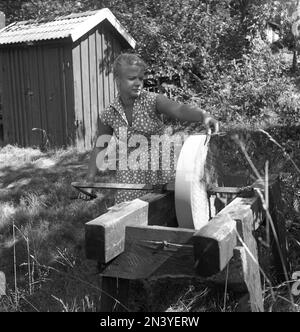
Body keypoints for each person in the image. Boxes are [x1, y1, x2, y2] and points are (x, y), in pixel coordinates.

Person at [82, 53, 219, 203]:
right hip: (131, 174)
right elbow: (100, 147)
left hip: (163, 167)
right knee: (128, 216)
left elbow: (179, 110)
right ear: (118, 80)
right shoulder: (108, 114)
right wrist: (89, 182)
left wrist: (203, 115)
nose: (138, 83)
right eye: (132, 78)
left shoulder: (153, 101)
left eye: (141, 78)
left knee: (173, 210)